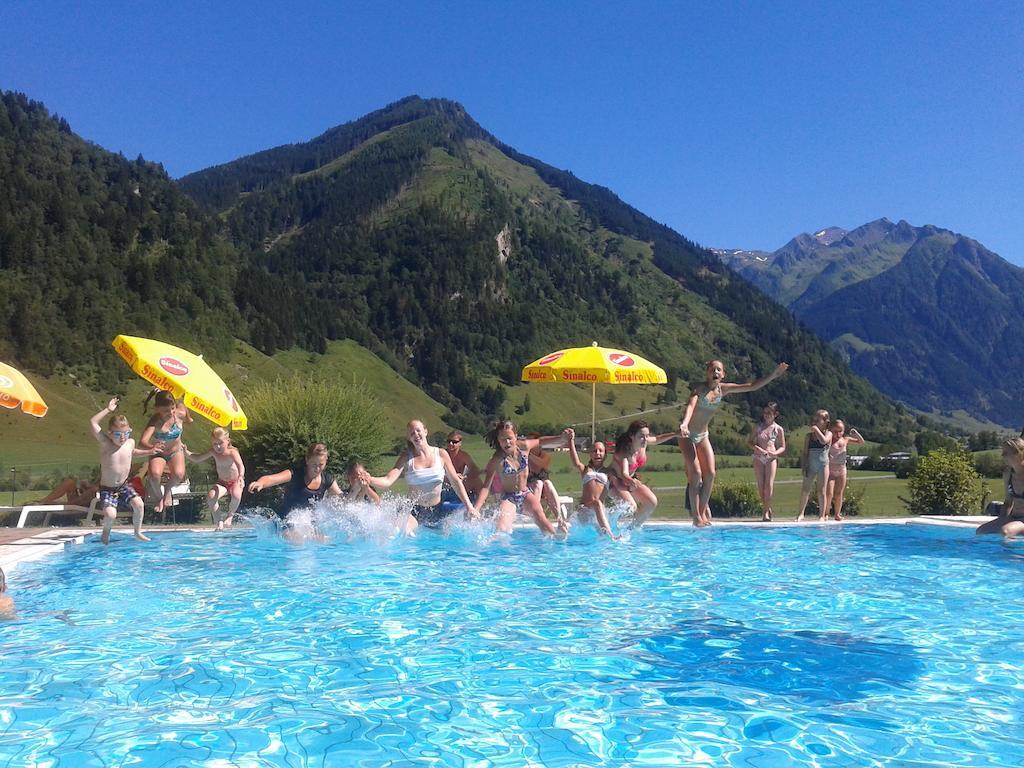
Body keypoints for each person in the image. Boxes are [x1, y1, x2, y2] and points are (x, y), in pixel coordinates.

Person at [680, 360, 789, 527]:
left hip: (703, 435)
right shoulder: (699, 389)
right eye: (712, 369)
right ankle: (696, 517)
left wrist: (773, 375)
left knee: (710, 474)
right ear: (707, 372)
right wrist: (685, 424)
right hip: (687, 435)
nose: (715, 372)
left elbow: (752, 386)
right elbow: (690, 406)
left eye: (719, 370)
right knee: (695, 475)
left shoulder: (723, 389)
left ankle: (702, 513)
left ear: (723, 375)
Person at [363, 420, 476, 533]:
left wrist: (469, 507)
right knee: (401, 532)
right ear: (409, 438)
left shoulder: (441, 454)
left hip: (437, 509)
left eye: (418, 430)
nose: (416, 434)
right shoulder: (407, 457)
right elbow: (388, 480)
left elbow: (456, 482)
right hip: (414, 511)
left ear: (425, 431)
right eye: (412, 433)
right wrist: (370, 479)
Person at [474, 420, 568, 535]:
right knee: (502, 530)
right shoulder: (496, 460)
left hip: (525, 494)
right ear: (498, 440)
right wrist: (476, 508)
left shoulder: (524, 447)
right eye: (503, 439)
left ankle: (557, 544)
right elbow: (486, 487)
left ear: (516, 437)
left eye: (510, 438)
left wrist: (561, 438)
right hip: (509, 498)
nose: (507, 442)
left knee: (544, 523)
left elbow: (540, 441)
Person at [90, 398, 159, 544]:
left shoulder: (130, 442)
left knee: (139, 504)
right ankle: (106, 534)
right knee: (110, 514)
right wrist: (108, 410)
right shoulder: (105, 443)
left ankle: (137, 532)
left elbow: (133, 452)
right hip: (108, 488)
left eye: (126, 433)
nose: (122, 437)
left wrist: (150, 451)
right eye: (117, 434)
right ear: (109, 433)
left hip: (123, 486)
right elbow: (93, 423)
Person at [247, 443, 343, 540]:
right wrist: (260, 483)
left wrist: (356, 492)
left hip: (307, 523)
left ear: (326, 461)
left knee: (325, 541)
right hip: (285, 521)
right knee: (297, 539)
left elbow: (342, 499)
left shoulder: (327, 479)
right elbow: (271, 479)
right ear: (307, 460)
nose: (317, 469)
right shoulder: (296, 474)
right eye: (314, 464)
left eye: (321, 465)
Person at [607, 420, 677, 527]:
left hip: (629, 481)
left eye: (647, 436)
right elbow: (624, 473)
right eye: (641, 436)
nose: (645, 439)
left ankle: (632, 529)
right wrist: (631, 481)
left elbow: (657, 439)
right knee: (630, 506)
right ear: (632, 436)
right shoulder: (624, 451)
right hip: (614, 481)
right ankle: (603, 522)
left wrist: (675, 434)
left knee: (651, 502)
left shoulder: (643, 443)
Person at [139, 389, 193, 515]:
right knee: (155, 475)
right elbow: (142, 442)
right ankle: (159, 498)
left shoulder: (179, 413)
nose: (170, 412)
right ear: (157, 409)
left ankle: (168, 489)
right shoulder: (155, 421)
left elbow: (189, 421)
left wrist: (185, 411)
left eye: (172, 408)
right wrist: (153, 446)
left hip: (175, 451)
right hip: (159, 453)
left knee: (179, 475)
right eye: (165, 411)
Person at [186, 428, 246, 531]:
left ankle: (230, 516)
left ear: (228, 441)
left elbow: (240, 465)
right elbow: (197, 458)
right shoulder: (213, 452)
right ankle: (219, 522)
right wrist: (185, 452)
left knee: (236, 494)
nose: (217, 446)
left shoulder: (232, 452)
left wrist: (241, 476)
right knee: (211, 496)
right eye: (215, 444)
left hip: (235, 481)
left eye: (220, 443)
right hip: (222, 482)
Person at [566, 428, 615, 537]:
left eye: (600, 451)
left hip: (598, 513)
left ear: (606, 454)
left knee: (600, 536)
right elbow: (575, 461)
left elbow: (620, 460)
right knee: (597, 503)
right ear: (590, 454)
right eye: (594, 451)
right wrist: (571, 440)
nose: (597, 453)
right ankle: (611, 536)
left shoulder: (609, 472)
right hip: (585, 510)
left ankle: (606, 538)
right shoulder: (585, 470)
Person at [976, 437, 1024, 537]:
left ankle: (1010, 553)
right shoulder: (1008, 475)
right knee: (981, 531)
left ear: (1018, 453)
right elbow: (1008, 503)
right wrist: (1001, 520)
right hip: (1014, 517)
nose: (1002, 455)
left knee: (1006, 531)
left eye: (1006, 453)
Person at [748, 402, 786, 521]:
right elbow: (749, 442)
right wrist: (756, 448)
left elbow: (783, 446)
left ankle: (765, 512)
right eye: (765, 413)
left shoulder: (778, 429)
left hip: (771, 457)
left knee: (768, 485)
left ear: (775, 414)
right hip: (759, 457)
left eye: (769, 413)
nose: (766, 415)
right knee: (760, 485)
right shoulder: (758, 427)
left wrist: (775, 453)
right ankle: (767, 506)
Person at [795, 410, 833, 522]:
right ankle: (801, 513)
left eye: (818, 420)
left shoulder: (828, 434)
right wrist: (804, 466)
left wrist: (816, 430)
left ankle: (821, 515)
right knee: (805, 489)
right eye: (814, 420)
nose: (815, 422)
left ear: (826, 422)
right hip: (811, 465)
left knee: (821, 491)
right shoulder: (809, 437)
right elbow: (805, 453)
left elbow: (823, 441)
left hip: (823, 465)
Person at [823, 419, 865, 521]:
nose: (838, 433)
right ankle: (826, 513)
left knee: (839, 493)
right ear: (830, 430)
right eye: (835, 431)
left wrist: (855, 433)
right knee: (829, 493)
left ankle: (837, 513)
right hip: (830, 469)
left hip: (842, 469)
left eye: (840, 431)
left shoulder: (845, 439)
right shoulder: (828, 440)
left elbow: (861, 442)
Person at [527, 438, 569, 530]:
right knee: (538, 483)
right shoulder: (524, 460)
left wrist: (529, 455)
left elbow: (542, 464)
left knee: (547, 483)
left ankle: (559, 519)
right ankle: (537, 516)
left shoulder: (544, 457)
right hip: (530, 490)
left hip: (543, 490)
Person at [444, 431, 482, 498]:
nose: (450, 443)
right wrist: (452, 476)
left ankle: (481, 505)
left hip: (460, 482)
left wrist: (465, 477)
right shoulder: (443, 454)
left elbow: (475, 469)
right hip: (445, 481)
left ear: (460, 443)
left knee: (477, 481)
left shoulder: (463, 456)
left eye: (454, 442)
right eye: (448, 441)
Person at [31, 475, 99, 507]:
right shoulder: (106, 472)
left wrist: (90, 487)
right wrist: (87, 486)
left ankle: (65, 505)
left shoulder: (109, 473)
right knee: (69, 483)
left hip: (97, 502)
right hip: (89, 499)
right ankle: (43, 502)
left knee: (93, 490)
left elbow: (102, 488)